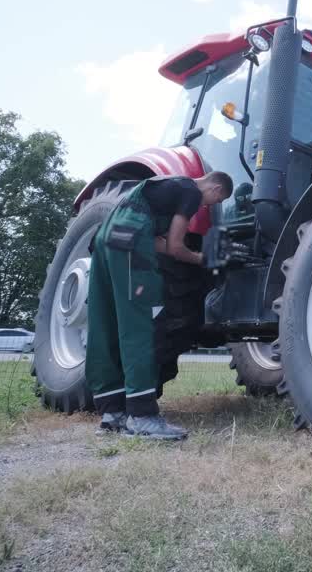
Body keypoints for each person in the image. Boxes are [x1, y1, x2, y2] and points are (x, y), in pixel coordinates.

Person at [86, 172, 232, 440]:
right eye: (217, 200)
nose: (209, 206)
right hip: (130, 246)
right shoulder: (191, 192)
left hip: (106, 240)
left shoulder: (164, 187)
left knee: (105, 326)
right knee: (140, 327)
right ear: (216, 188)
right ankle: (142, 416)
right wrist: (204, 259)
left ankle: (112, 413)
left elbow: (154, 241)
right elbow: (176, 247)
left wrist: (192, 255)